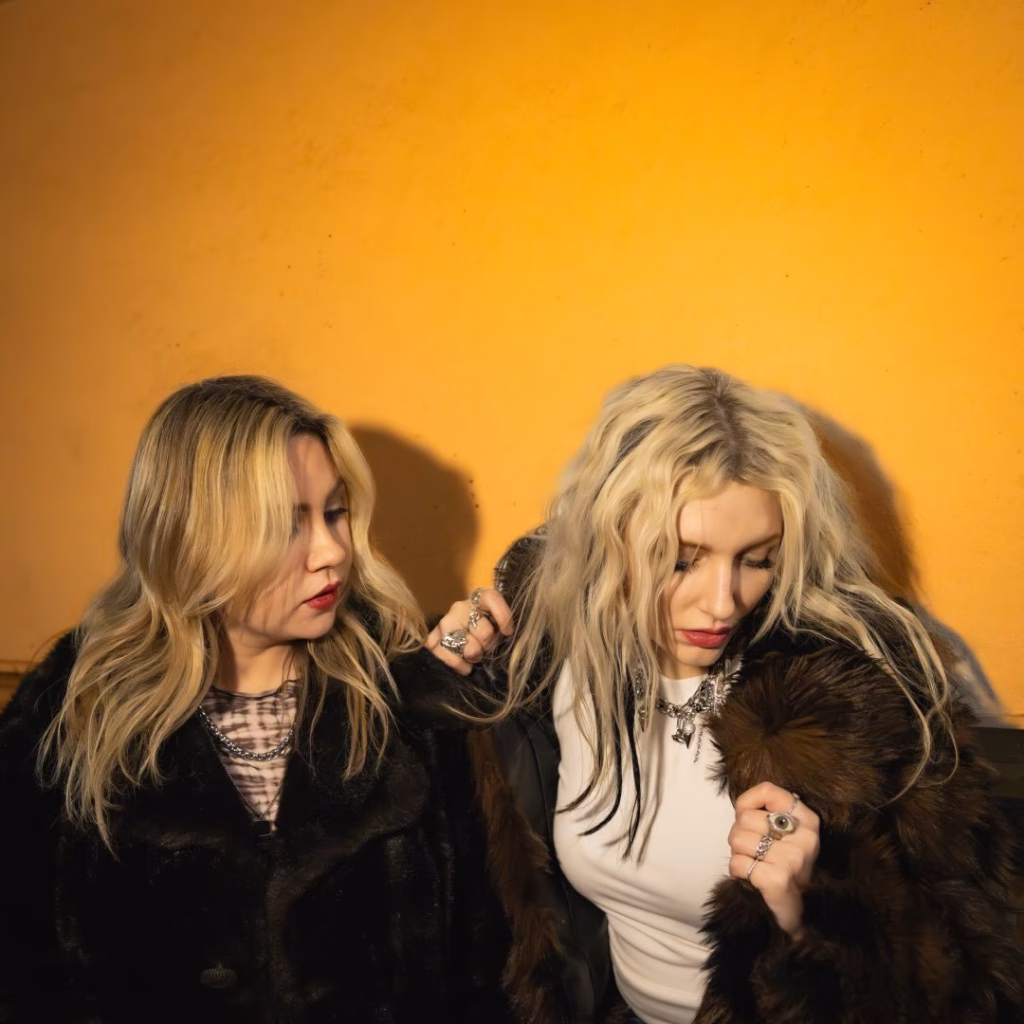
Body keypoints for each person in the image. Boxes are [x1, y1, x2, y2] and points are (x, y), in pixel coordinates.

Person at [460, 366, 1023, 1023]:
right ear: (610, 542)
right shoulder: (552, 658)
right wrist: (439, 683)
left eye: (757, 559)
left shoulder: (847, 711)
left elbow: (965, 984)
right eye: (680, 559)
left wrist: (804, 918)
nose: (723, 602)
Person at [0, 375, 515, 1023]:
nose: (332, 552)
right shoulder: (70, 714)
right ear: (191, 535)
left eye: (335, 513)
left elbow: (481, 964)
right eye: (287, 524)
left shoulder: (399, 697)